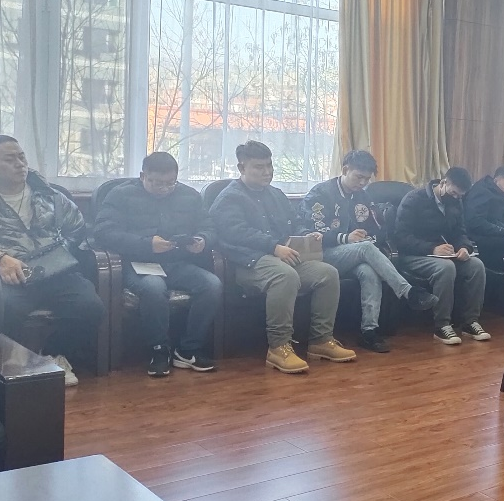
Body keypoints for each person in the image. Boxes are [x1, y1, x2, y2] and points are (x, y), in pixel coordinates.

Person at [212, 141, 356, 373]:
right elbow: (236, 232)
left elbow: (294, 223)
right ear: (241, 168)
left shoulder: (277, 195)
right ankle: (279, 347)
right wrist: (273, 247)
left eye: (269, 165)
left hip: (283, 257)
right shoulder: (229, 198)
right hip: (247, 262)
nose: (267, 172)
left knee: (328, 273)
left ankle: (321, 341)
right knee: (285, 276)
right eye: (259, 167)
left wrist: (306, 235)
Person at [0, 135, 102, 386]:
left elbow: (76, 228)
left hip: (55, 272)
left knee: (91, 308)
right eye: (9, 159)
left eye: (21, 157)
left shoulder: (50, 195)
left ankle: (54, 355)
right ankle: (9, 367)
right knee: (3, 312)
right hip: (6, 275)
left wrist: (55, 255)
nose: (20, 164)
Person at [92, 152, 223, 376]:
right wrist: (146, 244)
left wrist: (202, 240)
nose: (164, 188)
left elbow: (209, 226)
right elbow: (104, 232)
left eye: (170, 183)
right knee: (153, 287)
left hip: (177, 262)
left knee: (212, 284)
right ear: (143, 176)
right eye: (157, 183)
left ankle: (189, 349)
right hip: (138, 263)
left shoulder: (189, 196)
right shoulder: (120, 195)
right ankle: (159, 349)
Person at [300, 150, 438, 353]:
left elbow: (378, 229)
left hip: (356, 254)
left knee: (369, 271)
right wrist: (345, 238)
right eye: (359, 177)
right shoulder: (320, 194)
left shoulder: (363, 196)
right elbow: (312, 231)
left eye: (367, 179)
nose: (363, 183)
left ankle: (369, 331)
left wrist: (367, 238)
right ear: (345, 170)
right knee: (364, 249)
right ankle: (408, 292)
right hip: (323, 255)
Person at [392, 167, 489, 346]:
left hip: (444, 254)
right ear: (443, 183)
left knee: (476, 265)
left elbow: (460, 232)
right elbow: (401, 237)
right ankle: (442, 325)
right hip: (413, 256)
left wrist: (464, 248)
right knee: (446, 268)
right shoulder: (414, 199)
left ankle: (470, 322)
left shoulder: (455, 202)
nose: (456, 198)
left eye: (460, 196)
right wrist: (432, 248)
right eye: (454, 193)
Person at [464, 165, 504, 271]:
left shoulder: (502, 195)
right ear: (496, 180)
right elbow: (474, 222)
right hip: (479, 237)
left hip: (496, 234)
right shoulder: (481, 192)